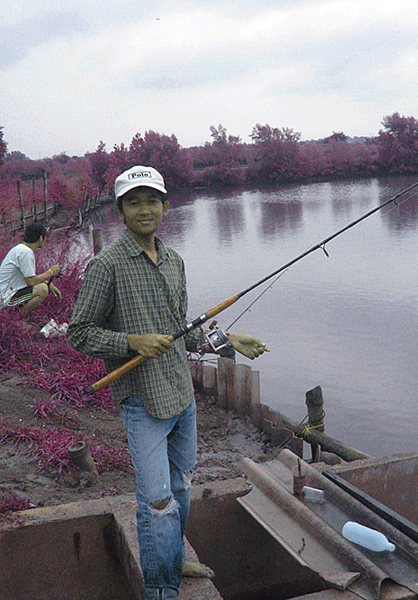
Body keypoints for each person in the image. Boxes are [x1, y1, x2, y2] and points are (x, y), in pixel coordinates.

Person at [66, 165, 269, 600]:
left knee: (182, 486)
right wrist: (130, 340)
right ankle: (161, 588)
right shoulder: (107, 265)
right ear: (120, 211)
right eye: (134, 202)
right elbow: (79, 333)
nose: (144, 210)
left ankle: (174, 557)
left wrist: (230, 340)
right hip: (142, 401)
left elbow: (184, 329)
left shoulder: (174, 261)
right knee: (156, 502)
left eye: (152, 200)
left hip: (182, 395)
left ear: (166, 206)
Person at [0, 222, 62, 318]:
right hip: (5, 298)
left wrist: (48, 283)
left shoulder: (20, 249)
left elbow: (28, 278)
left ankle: (15, 316)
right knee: (42, 290)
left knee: (43, 286)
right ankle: (16, 319)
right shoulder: (26, 252)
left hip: (6, 293)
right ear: (41, 238)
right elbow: (31, 282)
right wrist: (51, 272)